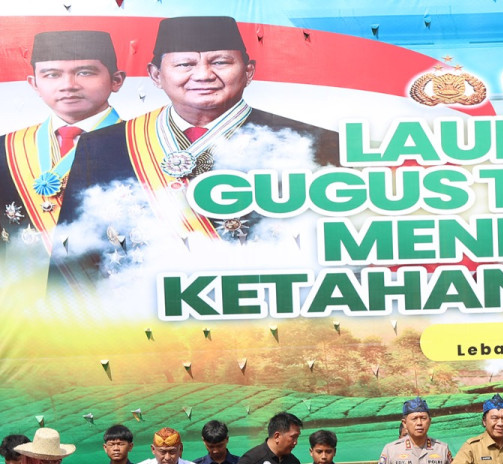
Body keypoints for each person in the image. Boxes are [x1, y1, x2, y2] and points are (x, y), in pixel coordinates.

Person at [52, 16, 338, 286]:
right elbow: (72, 258)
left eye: (221, 62)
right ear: (155, 75)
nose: (203, 75)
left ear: (249, 71)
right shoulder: (102, 144)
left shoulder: (315, 141)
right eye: (184, 65)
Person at [0, 29, 125, 293]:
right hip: (20, 307)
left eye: (85, 72)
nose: (68, 85)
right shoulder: (5, 148)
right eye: (52, 74)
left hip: (118, 302)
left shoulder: (144, 145)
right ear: (34, 84)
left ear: (116, 80)